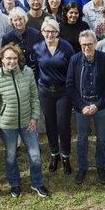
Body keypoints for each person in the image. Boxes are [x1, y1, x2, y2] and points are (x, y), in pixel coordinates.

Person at [0, 44, 49, 198]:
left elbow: (34, 97)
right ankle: (14, 184)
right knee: (10, 156)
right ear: (2, 59)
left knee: (35, 155)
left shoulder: (27, 72)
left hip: (27, 122)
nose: (12, 61)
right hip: (7, 125)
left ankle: (37, 183)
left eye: (15, 58)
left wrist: (35, 117)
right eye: (8, 58)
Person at [67, 30, 105, 185]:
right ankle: (82, 167)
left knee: (101, 138)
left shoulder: (104, 58)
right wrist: (81, 106)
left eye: (90, 44)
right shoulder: (74, 60)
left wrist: (97, 105)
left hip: (100, 105)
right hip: (82, 106)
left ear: (95, 43)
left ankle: (101, 167)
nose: (87, 47)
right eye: (83, 45)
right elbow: (70, 85)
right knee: (81, 139)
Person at [34, 17, 75, 174]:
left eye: (53, 31)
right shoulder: (37, 48)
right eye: (46, 31)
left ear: (57, 32)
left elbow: (72, 70)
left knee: (63, 124)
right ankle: (54, 154)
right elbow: (35, 69)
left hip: (63, 91)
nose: (49, 34)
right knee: (50, 124)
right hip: (45, 91)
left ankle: (65, 156)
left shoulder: (66, 47)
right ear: (42, 32)